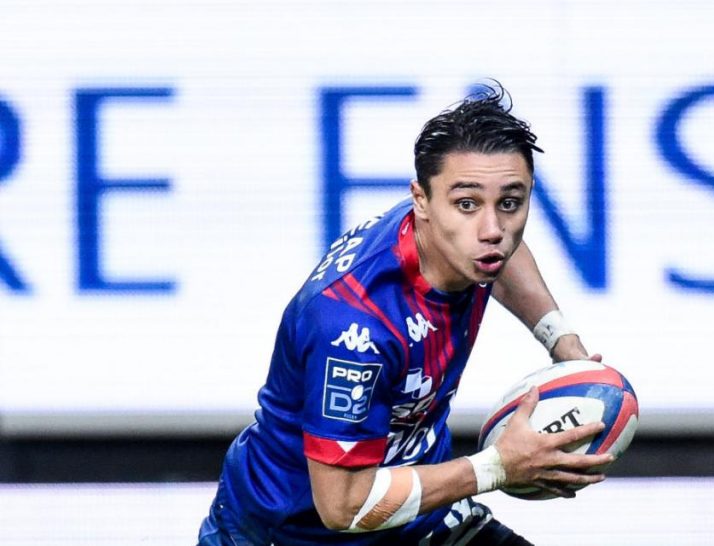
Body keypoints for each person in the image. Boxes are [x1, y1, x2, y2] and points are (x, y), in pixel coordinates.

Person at [198, 84, 613, 546]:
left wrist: (560, 339)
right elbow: (342, 505)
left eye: (510, 203)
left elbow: (502, 251)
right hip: (296, 533)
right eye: (468, 204)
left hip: (421, 515)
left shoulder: (464, 237)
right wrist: (497, 466)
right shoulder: (355, 329)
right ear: (421, 200)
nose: (493, 229)